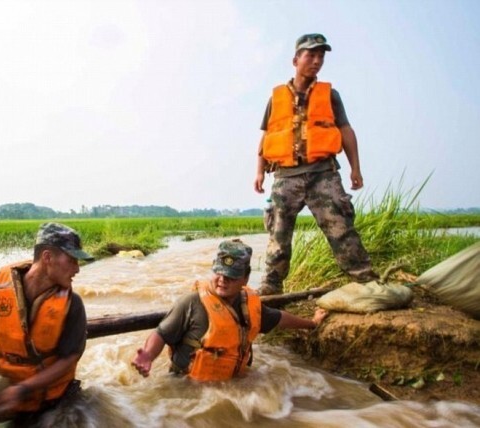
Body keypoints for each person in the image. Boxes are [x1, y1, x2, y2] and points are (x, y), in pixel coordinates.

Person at [253, 33, 379, 296]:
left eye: (321, 56)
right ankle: (272, 286)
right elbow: (267, 135)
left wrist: (356, 168)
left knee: (341, 229)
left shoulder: (330, 95)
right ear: (295, 59)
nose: (317, 60)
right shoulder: (276, 98)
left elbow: (345, 131)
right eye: (311, 55)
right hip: (285, 177)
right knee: (278, 235)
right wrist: (258, 172)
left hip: (323, 174)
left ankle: (365, 281)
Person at [0, 222, 93, 422]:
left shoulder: (72, 305)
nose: (77, 269)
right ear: (47, 257)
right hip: (8, 400)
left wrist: (23, 389)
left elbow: (69, 359)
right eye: (72, 260)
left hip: (56, 403)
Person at [131, 239, 327, 381]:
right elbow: (161, 333)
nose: (223, 280)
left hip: (231, 387)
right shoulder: (191, 302)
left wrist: (312, 324)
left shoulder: (250, 306)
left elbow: (279, 319)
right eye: (219, 273)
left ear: (246, 278)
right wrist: (148, 355)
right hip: (186, 388)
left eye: (231, 276)